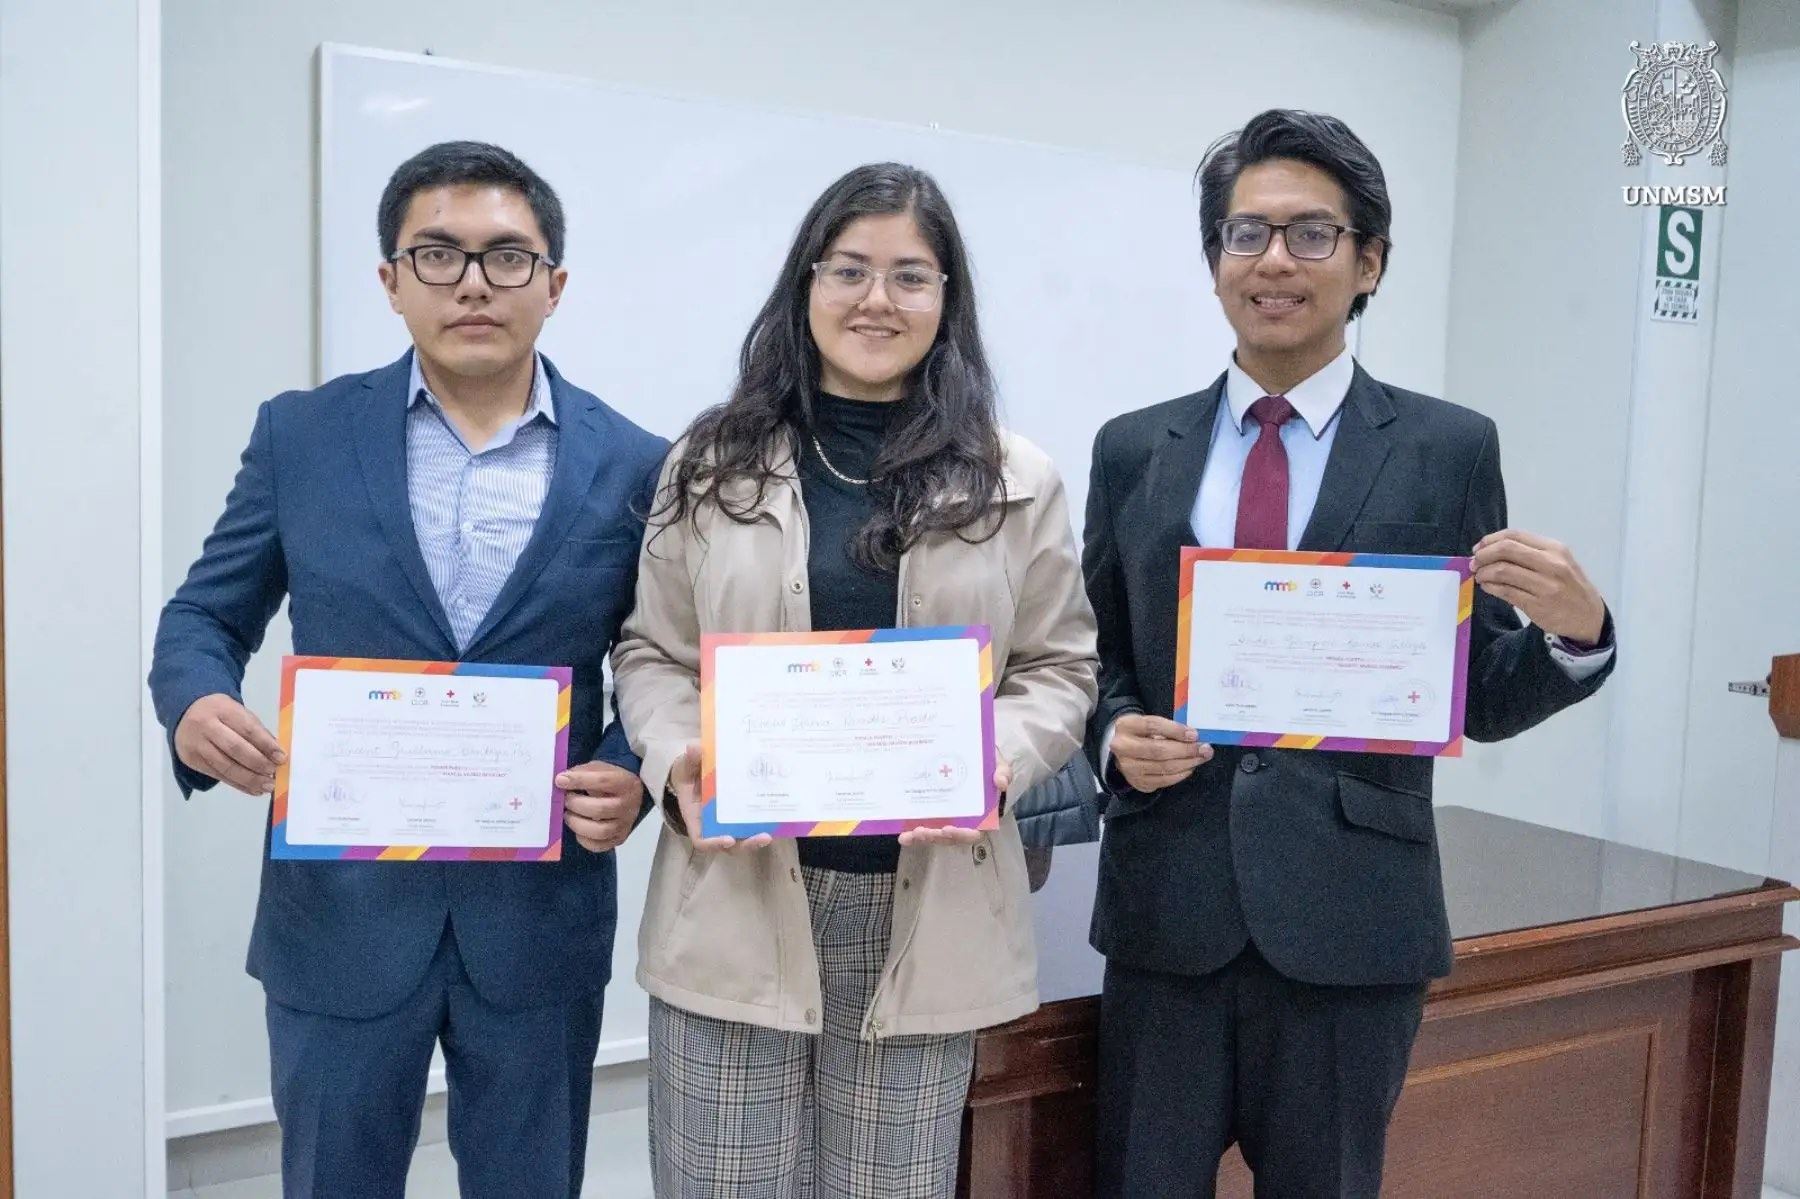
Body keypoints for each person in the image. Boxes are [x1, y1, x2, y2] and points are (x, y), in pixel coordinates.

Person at [1083, 109, 1617, 1197]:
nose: (1275, 260)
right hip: (1167, 913)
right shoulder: (1135, 446)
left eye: (1312, 234)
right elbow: (1095, 652)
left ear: (1369, 261)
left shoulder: (1445, 445)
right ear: (1216, 259)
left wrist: (1578, 630)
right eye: (1247, 234)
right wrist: (1108, 732)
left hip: (1352, 922)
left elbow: (1480, 692)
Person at [148, 141, 667, 1198]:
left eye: (507, 257)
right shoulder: (303, 435)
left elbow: (657, 657)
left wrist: (632, 766)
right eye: (438, 254)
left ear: (554, 285)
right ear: (390, 280)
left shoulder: (638, 460)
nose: (473, 281)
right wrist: (196, 698)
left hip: (538, 922)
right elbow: (205, 611)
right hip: (339, 917)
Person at [611, 161, 1097, 1197]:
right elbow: (651, 651)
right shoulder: (711, 461)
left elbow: (1060, 665)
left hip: (925, 917)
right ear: (806, 287)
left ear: (947, 303)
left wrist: (993, 759)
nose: (877, 298)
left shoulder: (1017, 480)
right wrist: (675, 756)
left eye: (911, 276)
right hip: (737, 898)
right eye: (850, 269)